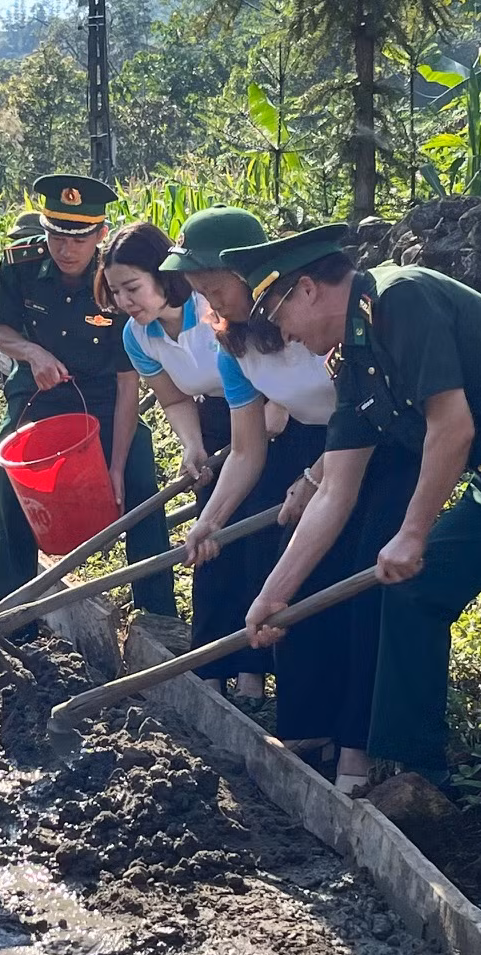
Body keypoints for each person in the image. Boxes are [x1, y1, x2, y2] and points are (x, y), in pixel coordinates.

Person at [224, 225, 481, 919]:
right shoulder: (351, 363)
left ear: (307, 289)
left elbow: (453, 427)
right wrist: (272, 599)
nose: (285, 336)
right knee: (411, 594)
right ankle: (419, 779)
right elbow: (335, 490)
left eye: (281, 317)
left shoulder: (401, 300)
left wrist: (414, 530)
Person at [164, 207, 418, 794]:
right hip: (318, 445)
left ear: (254, 273)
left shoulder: (314, 322)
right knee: (294, 577)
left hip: (384, 448)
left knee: (360, 583)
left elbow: (367, 409)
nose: (209, 306)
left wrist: (313, 475)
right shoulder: (234, 346)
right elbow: (248, 451)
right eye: (200, 294)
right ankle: (309, 729)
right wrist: (211, 520)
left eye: (217, 289)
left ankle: (356, 746)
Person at [0, 173, 174, 615]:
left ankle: (158, 614)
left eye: (79, 238)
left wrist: (117, 466)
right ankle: (12, 614)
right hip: (39, 394)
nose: (66, 249)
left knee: (142, 485)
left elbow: (129, 382)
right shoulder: (19, 263)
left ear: (100, 234)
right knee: (13, 487)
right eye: (56, 235)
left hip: (106, 397)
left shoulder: (117, 282)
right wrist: (32, 353)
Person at [99, 220, 263, 701]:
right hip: (213, 424)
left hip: (267, 416)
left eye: (133, 287)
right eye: (115, 292)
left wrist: (269, 414)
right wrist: (192, 446)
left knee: (254, 535)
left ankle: (253, 671)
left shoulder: (211, 306)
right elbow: (173, 400)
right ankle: (210, 663)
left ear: (164, 275)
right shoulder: (138, 336)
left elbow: (260, 370)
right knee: (209, 547)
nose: (125, 301)